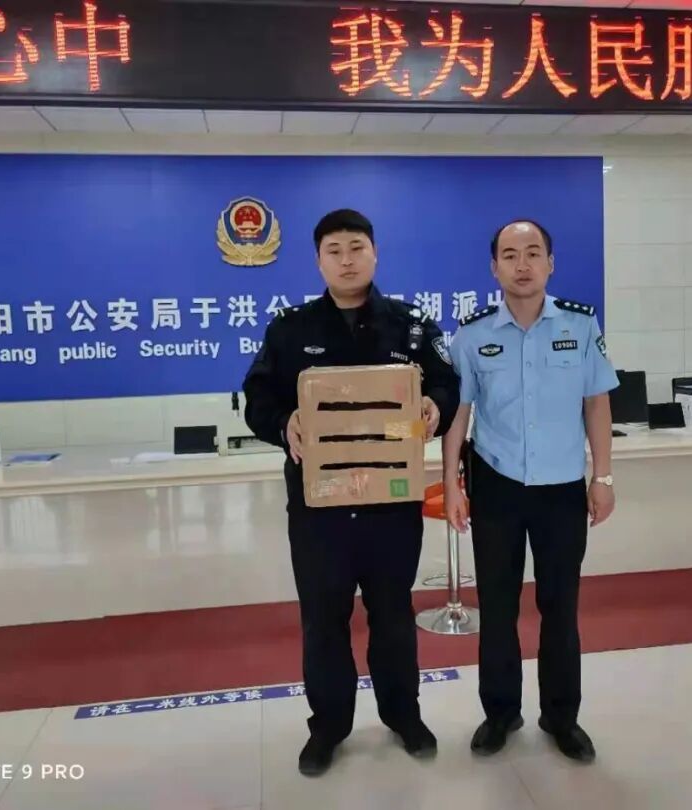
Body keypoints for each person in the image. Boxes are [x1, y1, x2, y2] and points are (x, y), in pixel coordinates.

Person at [242, 208, 460, 777]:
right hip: (320, 509)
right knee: (323, 620)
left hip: (391, 503)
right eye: (334, 250)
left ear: (375, 253)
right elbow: (258, 401)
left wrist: (435, 405)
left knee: (393, 616)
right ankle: (328, 727)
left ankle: (404, 716)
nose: (346, 260)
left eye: (356, 247)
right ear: (318, 260)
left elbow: (447, 383)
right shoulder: (290, 330)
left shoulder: (412, 326)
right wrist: (284, 422)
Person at [442, 220, 617, 761]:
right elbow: (457, 415)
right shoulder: (472, 335)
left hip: (561, 487)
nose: (522, 265)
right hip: (496, 486)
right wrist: (450, 483)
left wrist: (603, 476)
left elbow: (597, 403)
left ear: (550, 263)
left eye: (533, 253)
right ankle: (500, 713)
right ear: (494, 267)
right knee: (497, 608)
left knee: (560, 607)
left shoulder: (581, 326)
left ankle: (562, 718)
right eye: (510, 255)